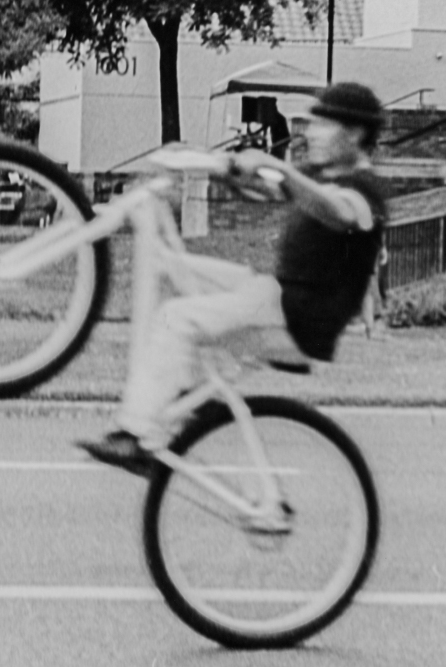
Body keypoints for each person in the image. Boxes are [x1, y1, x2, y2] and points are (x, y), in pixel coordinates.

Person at [77, 82, 388, 475]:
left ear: (355, 133)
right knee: (171, 268)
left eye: (323, 125)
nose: (311, 133)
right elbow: (264, 187)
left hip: (298, 318)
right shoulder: (320, 174)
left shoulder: (365, 190)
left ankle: (134, 435)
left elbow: (339, 213)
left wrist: (280, 168)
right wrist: (204, 161)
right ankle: (197, 397)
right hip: (274, 293)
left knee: (176, 318)